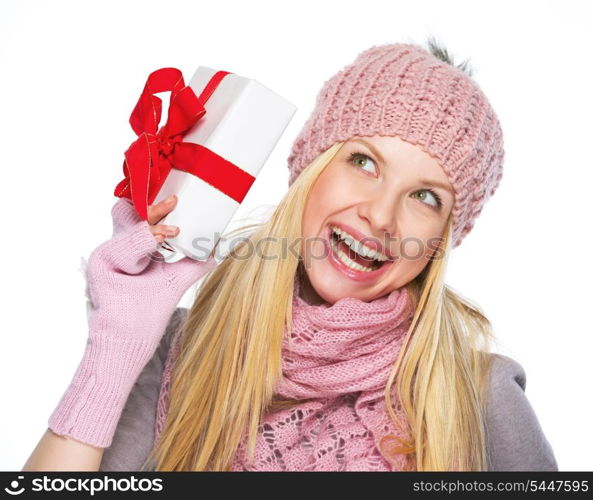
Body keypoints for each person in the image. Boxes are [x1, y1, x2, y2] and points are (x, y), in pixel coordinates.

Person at [23, 38, 558, 471]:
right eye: (364, 162)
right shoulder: (178, 355)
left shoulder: (477, 396)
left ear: (441, 239)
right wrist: (111, 354)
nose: (381, 215)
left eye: (425, 197)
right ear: (310, 168)